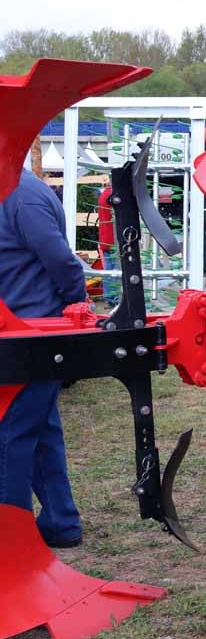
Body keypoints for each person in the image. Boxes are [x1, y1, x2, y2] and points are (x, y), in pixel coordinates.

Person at [0, 168, 86, 548]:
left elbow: (61, 260)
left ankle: (10, 537)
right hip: (21, 329)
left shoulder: (23, 195)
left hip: (31, 334)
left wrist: (74, 303)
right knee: (41, 430)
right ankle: (60, 522)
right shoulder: (14, 190)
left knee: (10, 435)